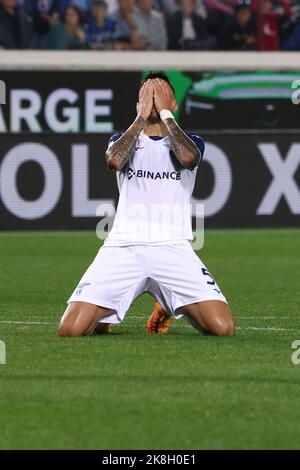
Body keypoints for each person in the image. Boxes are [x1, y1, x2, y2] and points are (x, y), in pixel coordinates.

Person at [58, 70, 236, 338]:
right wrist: (141, 117)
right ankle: (105, 315)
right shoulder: (122, 139)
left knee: (223, 329)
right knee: (70, 329)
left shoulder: (192, 142)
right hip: (124, 246)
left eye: (161, 93)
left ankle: (164, 305)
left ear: (173, 105)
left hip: (173, 247)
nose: (154, 98)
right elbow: (114, 161)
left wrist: (165, 116)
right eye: (148, 94)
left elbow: (188, 158)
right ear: (138, 104)